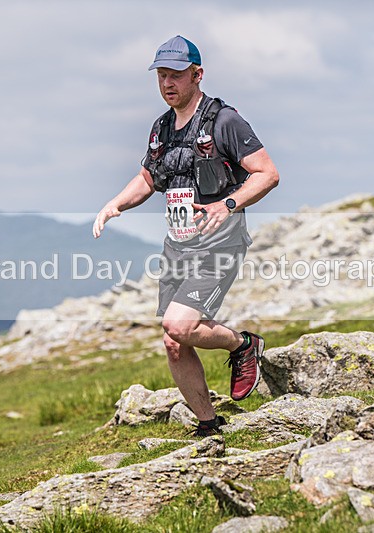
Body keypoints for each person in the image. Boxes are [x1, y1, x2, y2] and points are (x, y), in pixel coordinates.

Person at [93, 35, 279, 437]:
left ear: (197, 75)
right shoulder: (161, 128)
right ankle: (209, 426)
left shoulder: (224, 121)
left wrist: (227, 204)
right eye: (161, 75)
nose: (167, 83)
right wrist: (116, 204)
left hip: (219, 243)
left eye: (175, 75)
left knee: (179, 325)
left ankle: (243, 345)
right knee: (174, 342)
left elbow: (267, 174)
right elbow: (148, 178)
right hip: (178, 246)